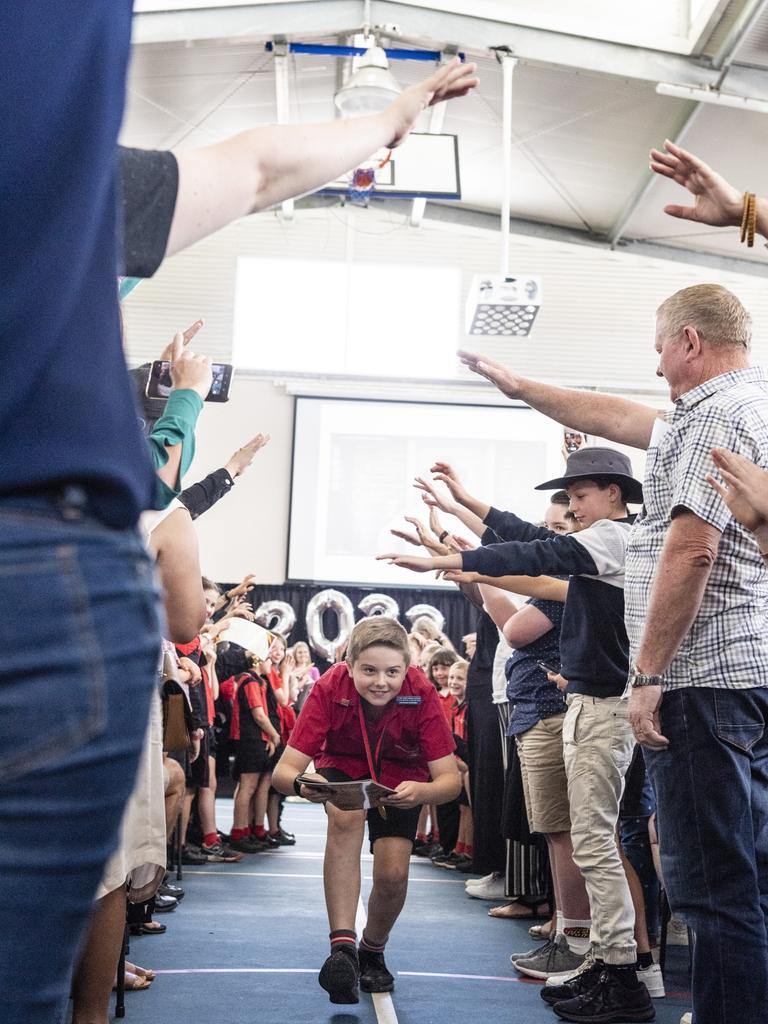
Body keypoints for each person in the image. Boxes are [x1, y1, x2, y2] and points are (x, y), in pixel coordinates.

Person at [459, 282, 768, 1024]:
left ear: (690, 341)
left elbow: (691, 550)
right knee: (741, 877)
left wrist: (650, 674)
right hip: (740, 674)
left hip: (702, 676)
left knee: (712, 890)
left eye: (661, 344)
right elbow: (623, 417)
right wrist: (522, 386)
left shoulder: (718, 415)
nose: (656, 361)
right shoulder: (735, 404)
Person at [272, 617, 460, 1004]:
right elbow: (282, 773)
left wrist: (421, 790)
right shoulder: (329, 686)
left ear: (407, 668)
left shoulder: (421, 691)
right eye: (368, 671)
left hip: (401, 777)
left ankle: (372, 949)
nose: (381, 682)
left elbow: (450, 782)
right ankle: (342, 949)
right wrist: (304, 785)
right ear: (348, 663)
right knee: (346, 817)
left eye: (392, 672)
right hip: (343, 766)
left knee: (393, 873)